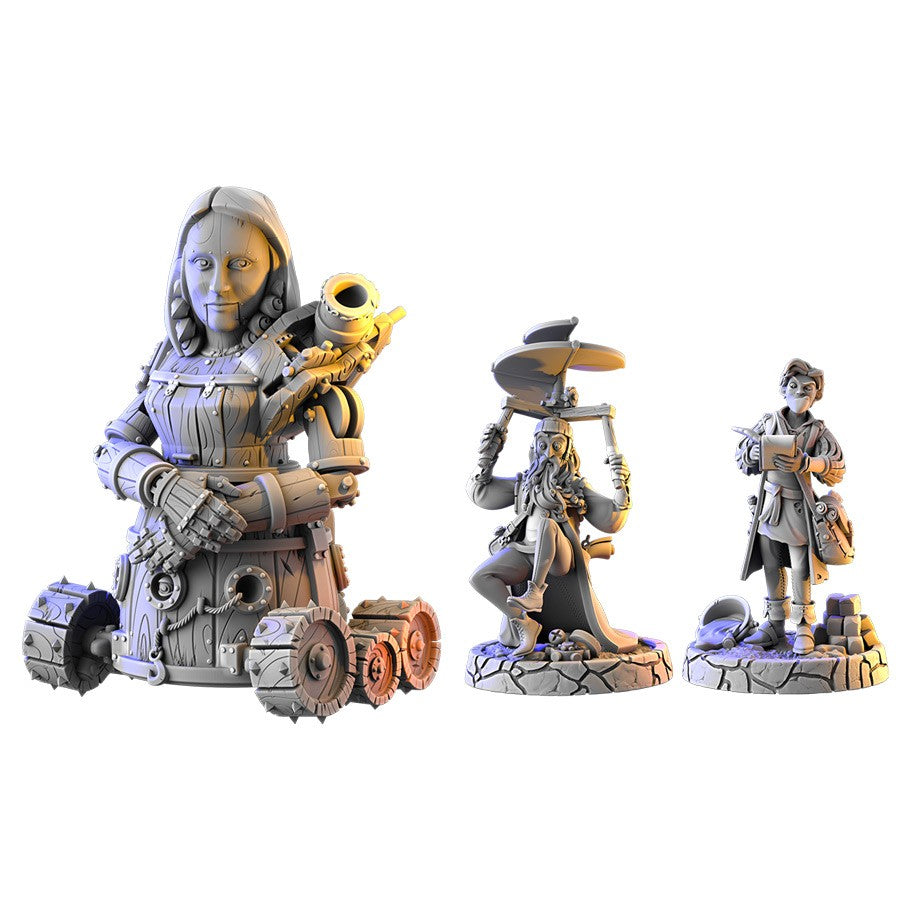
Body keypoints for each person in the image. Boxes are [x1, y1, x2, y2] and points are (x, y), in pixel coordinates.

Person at [468, 416, 630, 656]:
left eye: (556, 445)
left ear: (567, 450)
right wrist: (488, 456)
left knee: (548, 525)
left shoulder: (576, 486)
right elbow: (482, 493)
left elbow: (612, 519)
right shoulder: (524, 483)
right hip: (526, 552)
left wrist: (621, 485)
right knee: (480, 577)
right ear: (534, 447)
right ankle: (524, 623)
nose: (549, 453)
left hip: (561, 558)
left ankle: (535, 591)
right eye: (543, 445)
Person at [737, 358, 845, 655]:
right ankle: (774, 622)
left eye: (807, 388)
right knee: (771, 563)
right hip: (769, 505)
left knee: (800, 567)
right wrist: (753, 452)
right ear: (783, 389)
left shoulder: (817, 431)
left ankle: (803, 625)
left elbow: (836, 465)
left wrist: (808, 463)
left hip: (798, 507)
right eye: (793, 386)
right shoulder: (768, 422)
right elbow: (743, 457)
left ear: (816, 394)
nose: (799, 392)